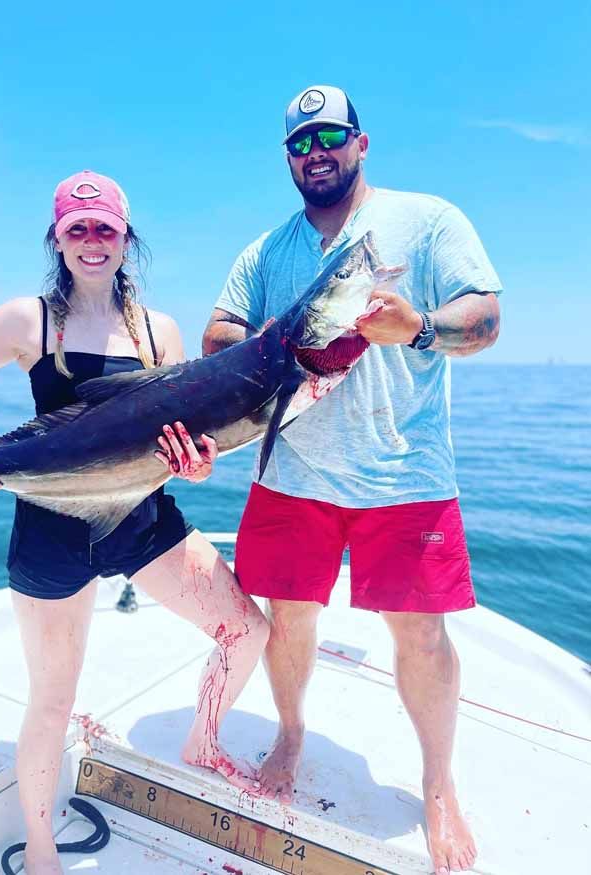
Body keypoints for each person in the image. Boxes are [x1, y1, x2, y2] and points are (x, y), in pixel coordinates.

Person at [0, 170, 269, 875]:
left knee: (248, 628)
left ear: (125, 238)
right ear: (57, 236)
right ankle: (43, 851)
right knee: (52, 703)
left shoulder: (158, 330)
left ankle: (202, 742)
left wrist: (198, 465)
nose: (91, 241)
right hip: (51, 531)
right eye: (76, 228)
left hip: (141, 519)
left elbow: (189, 441)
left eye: (104, 228)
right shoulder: (29, 320)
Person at [203, 86, 501, 875]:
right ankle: (291, 731)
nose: (316, 152)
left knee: (421, 634)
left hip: (405, 474)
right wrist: (257, 338)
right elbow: (221, 333)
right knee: (287, 618)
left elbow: (486, 319)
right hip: (293, 469)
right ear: (289, 159)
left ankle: (438, 782)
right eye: (301, 143)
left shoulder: (430, 221)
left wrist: (422, 328)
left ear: (362, 143)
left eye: (331, 136)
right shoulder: (266, 253)